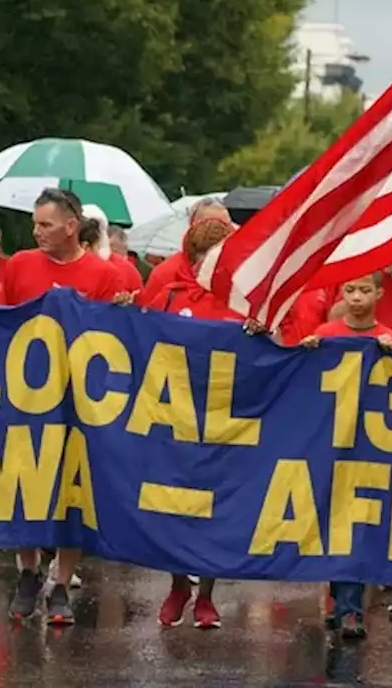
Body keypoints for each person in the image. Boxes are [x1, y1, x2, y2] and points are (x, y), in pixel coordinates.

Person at [3, 187, 126, 624]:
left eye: (45, 224)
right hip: (26, 398)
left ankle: (61, 584)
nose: (36, 231)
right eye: (35, 223)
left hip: (79, 403)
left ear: (71, 227)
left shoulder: (103, 275)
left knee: (73, 492)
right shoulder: (18, 265)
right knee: (23, 488)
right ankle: (28, 573)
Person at [149, 217, 241, 629]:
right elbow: (136, 336)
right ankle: (176, 585)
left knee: (212, 508)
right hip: (174, 417)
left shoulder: (243, 300)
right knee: (173, 506)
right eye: (203, 258)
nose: (210, 268)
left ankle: (205, 594)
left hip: (222, 417)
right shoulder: (168, 293)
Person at [300, 272, 392, 641]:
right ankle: (342, 606)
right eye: (349, 289)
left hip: (372, 447)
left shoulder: (388, 338)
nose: (356, 297)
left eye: (363, 290)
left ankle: (350, 609)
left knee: (358, 528)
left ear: (378, 293)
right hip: (331, 444)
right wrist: (306, 353)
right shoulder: (327, 334)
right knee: (334, 524)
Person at [138, 198, 231, 307]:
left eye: (225, 225)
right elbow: (148, 317)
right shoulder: (165, 273)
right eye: (208, 224)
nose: (216, 230)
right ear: (192, 225)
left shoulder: (241, 274)